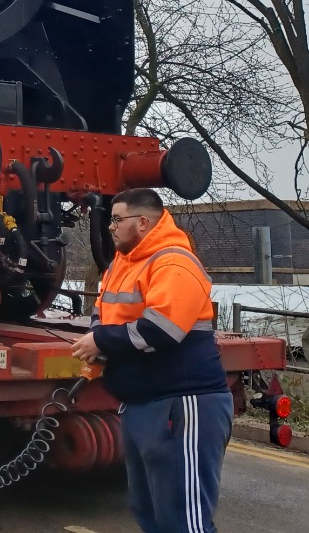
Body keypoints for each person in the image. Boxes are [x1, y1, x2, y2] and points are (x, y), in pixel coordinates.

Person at [71, 187, 231, 533]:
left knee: (183, 519)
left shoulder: (173, 262)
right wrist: (101, 339)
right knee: (149, 512)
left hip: (181, 401)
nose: (110, 227)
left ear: (143, 222)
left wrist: (101, 341)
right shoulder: (122, 263)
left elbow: (163, 329)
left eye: (117, 219)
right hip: (144, 402)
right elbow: (102, 311)